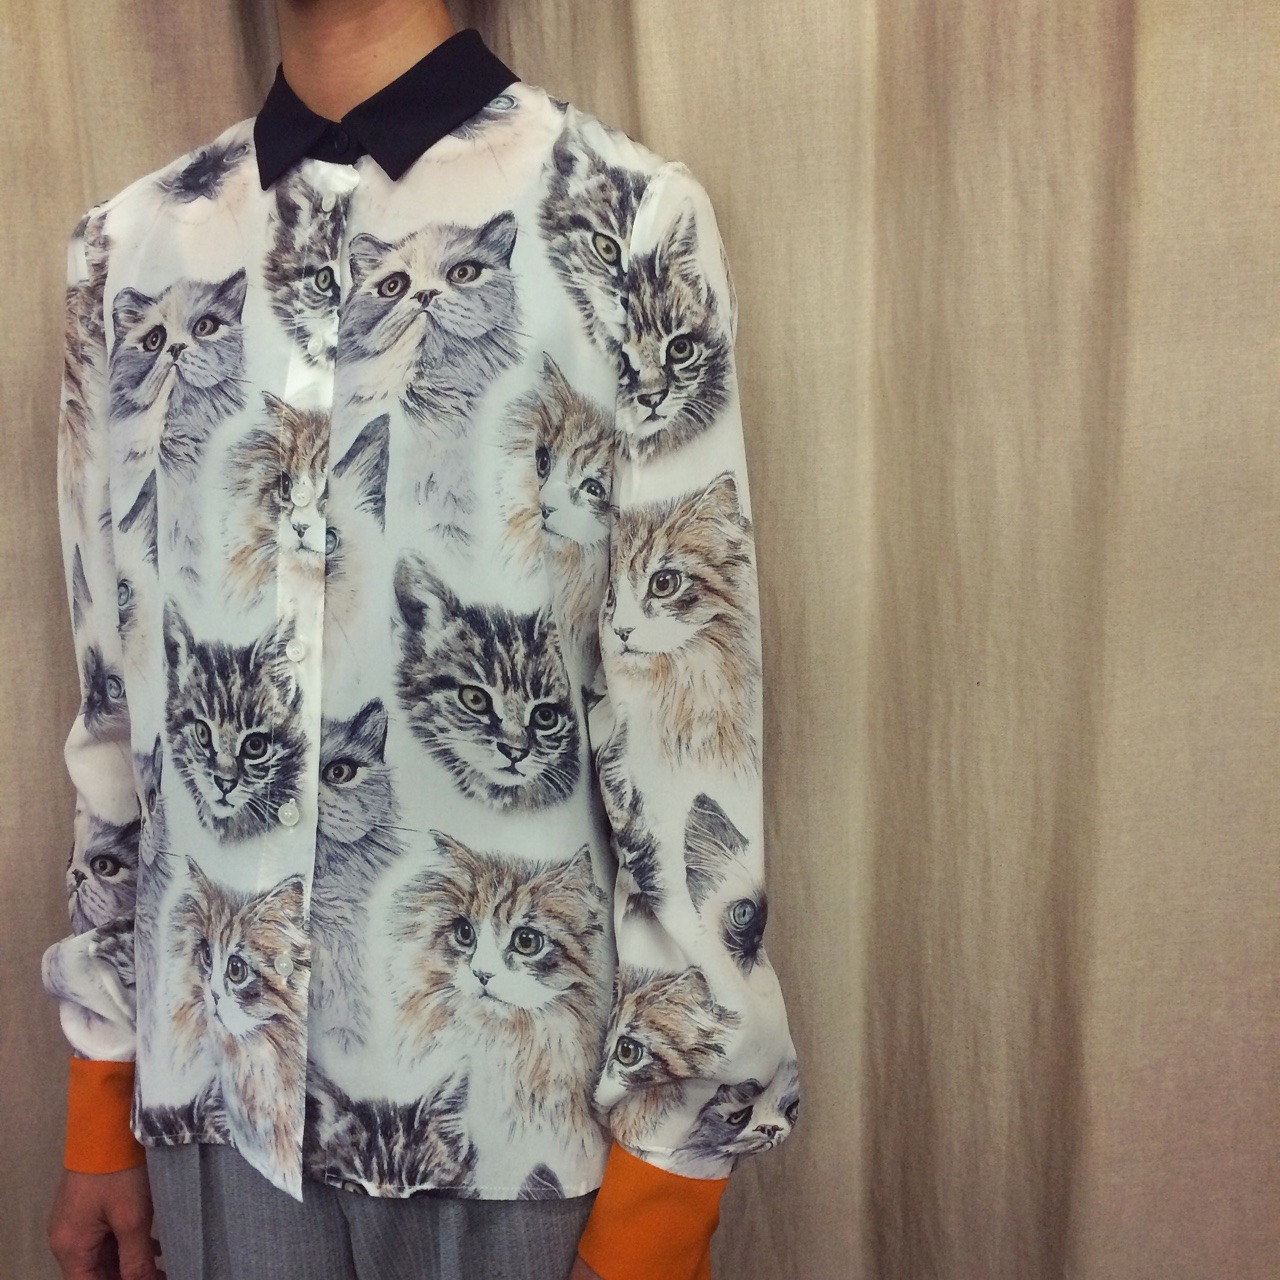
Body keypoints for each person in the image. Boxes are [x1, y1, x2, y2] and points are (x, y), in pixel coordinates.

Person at [43, 2, 798, 1277]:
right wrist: (99, 1087)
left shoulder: (622, 218)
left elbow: (687, 708)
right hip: (213, 1103)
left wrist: (669, 1180)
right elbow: (118, 705)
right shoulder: (125, 256)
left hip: (520, 1125)